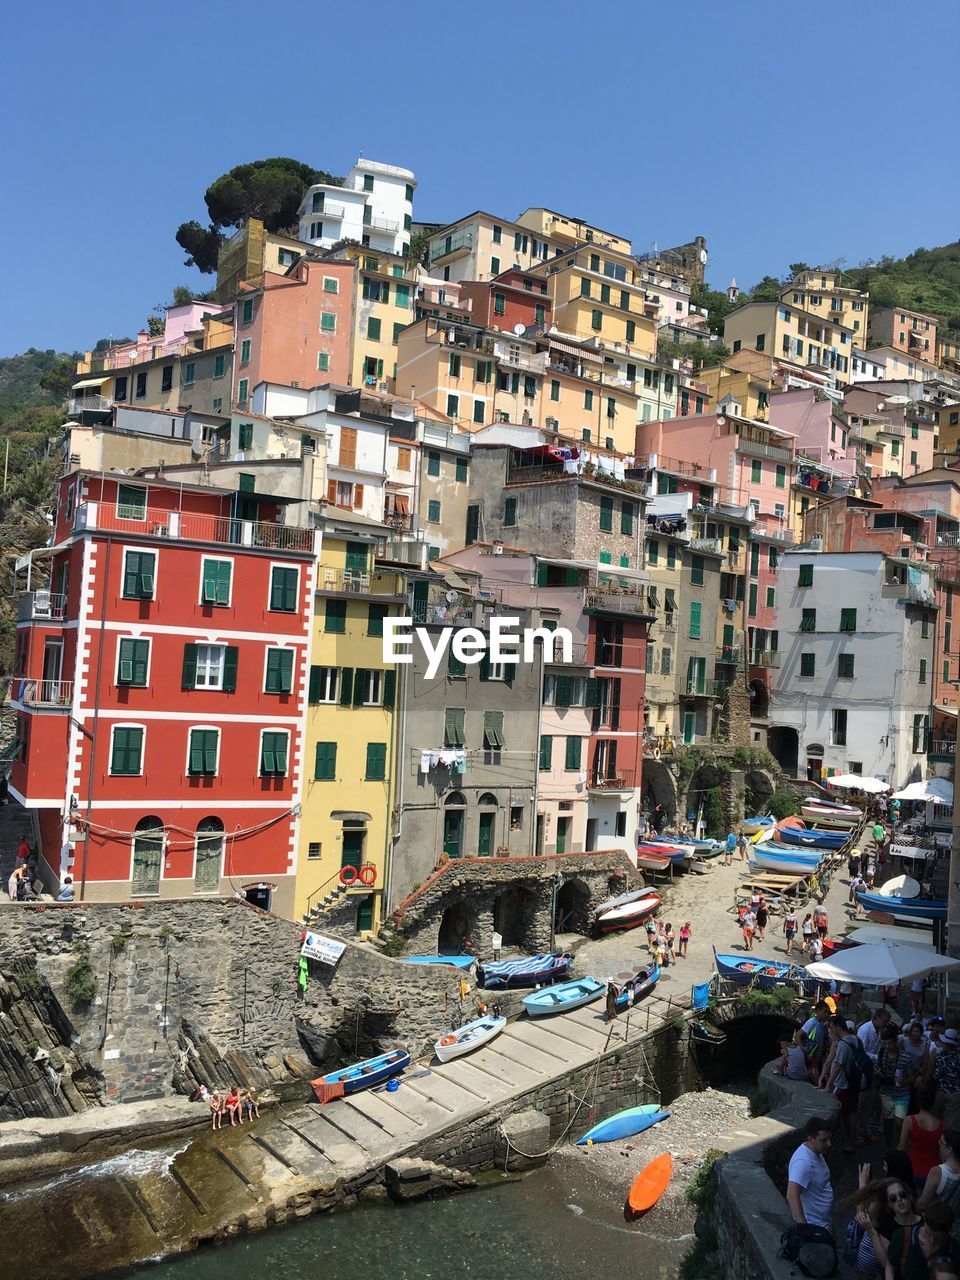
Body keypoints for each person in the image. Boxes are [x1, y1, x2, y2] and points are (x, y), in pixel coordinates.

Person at [849, 1176, 921, 1280]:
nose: (899, 1200)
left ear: (909, 1196)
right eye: (893, 1198)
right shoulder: (887, 1225)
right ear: (889, 1204)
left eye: (902, 1195)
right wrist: (871, 1231)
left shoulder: (923, 1221)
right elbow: (886, 1262)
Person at [887, 1199, 957, 1280]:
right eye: (927, 1234)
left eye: (938, 1239)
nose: (932, 1240)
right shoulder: (902, 1236)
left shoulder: (954, 1248)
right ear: (923, 1218)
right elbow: (890, 1264)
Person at [822, 1015, 863, 1151]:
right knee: (852, 1113)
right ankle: (851, 1142)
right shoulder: (855, 1039)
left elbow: (837, 1065)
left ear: (839, 1027)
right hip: (855, 1083)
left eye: (832, 1028)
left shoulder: (843, 1044)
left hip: (843, 1085)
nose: (831, 1031)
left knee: (840, 1114)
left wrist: (828, 1085)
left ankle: (846, 1143)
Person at [786, 1116, 835, 1230]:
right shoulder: (803, 1162)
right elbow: (792, 1195)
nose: (829, 1143)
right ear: (810, 1139)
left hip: (823, 1222)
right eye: (823, 1140)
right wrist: (804, 1229)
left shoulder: (816, 1152)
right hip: (815, 1227)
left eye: (829, 1138)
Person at [875, 1023, 913, 1146]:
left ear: (895, 1042)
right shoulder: (882, 1054)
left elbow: (912, 1075)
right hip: (886, 1092)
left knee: (899, 1122)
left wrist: (904, 1081)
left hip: (901, 1093)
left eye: (890, 1043)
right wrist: (878, 1071)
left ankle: (900, 1145)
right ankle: (889, 1145)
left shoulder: (905, 1057)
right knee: (888, 1120)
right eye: (885, 1043)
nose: (887, 1046)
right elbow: (878, 1066)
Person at [900, 1085, 943, 1188]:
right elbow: (942, 1153)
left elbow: (902, 1147)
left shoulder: (909, 1121)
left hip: (913, 1169)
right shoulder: (941, 1125)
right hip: (933, 1173)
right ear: (933, 1103)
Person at [919, 1131, 960, 1212]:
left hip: (941, 1222)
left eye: (941, 1142)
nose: (939, 1145)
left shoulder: (937, 1172)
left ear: (949, 1149)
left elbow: (923, 1202)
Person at [932, 1029, 960, 1130]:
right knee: (950, 1124)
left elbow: (937, 1075)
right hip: (955, 1094)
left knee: (936, 1120)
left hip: (941, 1091)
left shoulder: (940, 1056)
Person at [802, 1002, 832, 1071]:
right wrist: (803, 1048)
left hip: (818, 1057)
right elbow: (798, 1035)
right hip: (811, 1057)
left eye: (827, 1012)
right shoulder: (811, 1022)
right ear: (818, 1011)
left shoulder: (822, 1024)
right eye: (824, 1012)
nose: (826, 1014)